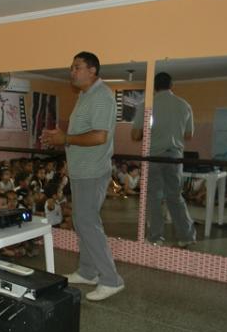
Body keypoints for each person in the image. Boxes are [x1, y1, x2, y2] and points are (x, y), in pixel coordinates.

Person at [41, 51, 124, 301]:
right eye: (71, 67)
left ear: (93, 71)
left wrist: (64, 138)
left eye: (77, 67)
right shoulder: (85, 95)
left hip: (92, 171)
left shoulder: (102, 97)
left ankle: (111, 279)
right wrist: (63, 139)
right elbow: (81, 134)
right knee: (82, 221)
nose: (72, 71)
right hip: (80, 170)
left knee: (88, 222)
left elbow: (100, 136)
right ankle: (89, 272)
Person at [131, 72, 196, 247]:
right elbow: (189, 134)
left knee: (154, 197)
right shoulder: (184, 105)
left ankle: (156, 238)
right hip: (175, 157)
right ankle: (186, 236)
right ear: (171, 85)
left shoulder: (147, 105)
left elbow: (136, 134)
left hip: (153, 157)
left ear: (154, 86)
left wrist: (152, 132)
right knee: (175, 196)